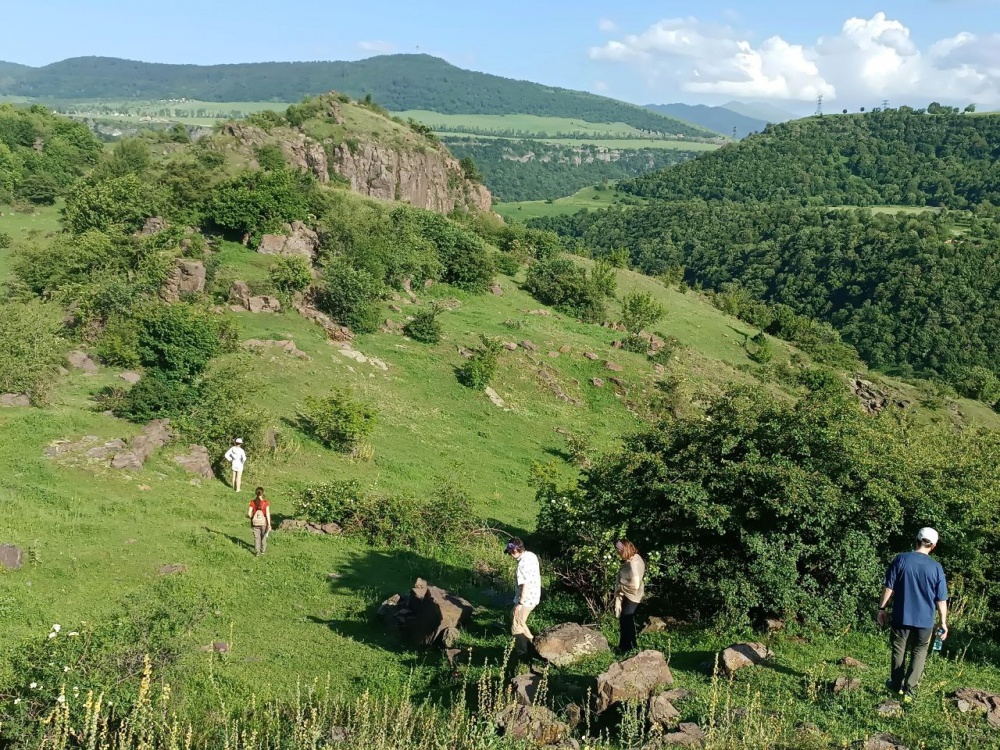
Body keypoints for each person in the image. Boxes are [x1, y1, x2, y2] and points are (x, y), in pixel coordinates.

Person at [877, 527, 949, 702]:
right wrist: (943, 622)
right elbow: (941, 599)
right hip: (925, 621)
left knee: (899, 649)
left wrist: (882, 608)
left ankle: (895, 685)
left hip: (901, 616)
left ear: (916, 540)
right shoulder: (936, 567)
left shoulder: (901, 559)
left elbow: (888, 587)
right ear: (934, 546)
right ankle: (910, 692)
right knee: (919, 652)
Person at [505, 538, 541, 657]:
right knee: (515, 617)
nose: (510, 555)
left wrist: (520, 603)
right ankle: (532, 641)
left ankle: (522, 653)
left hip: (526, 599)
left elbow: (525, 585)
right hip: (535, 595)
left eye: (510, 552)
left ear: (515, 550)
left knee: (516, 626)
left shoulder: (521, 565)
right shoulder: (531, 555)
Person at [613, 539, 645, 654]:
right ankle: (627, 646)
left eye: (618, 551)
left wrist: (621, 589)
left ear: (624, 550)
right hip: (631, 594)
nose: (617, 553)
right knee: (626, 620)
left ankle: (627, 647)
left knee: (626, 620)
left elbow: (635, 584)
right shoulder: (634, 558)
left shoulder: (633, 563)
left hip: (632, 595)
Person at [247, 487, 272, 556]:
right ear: (262, 493)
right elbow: (267, 514)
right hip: (263, 522)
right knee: (263, 536)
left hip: (255, 523)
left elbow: (249, 514)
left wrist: (249, 517)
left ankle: (257, 552)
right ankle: (263, 550)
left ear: (256, 493)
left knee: (256, 537)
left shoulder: (252, 502)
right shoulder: (266, 502)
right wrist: (269, 524)